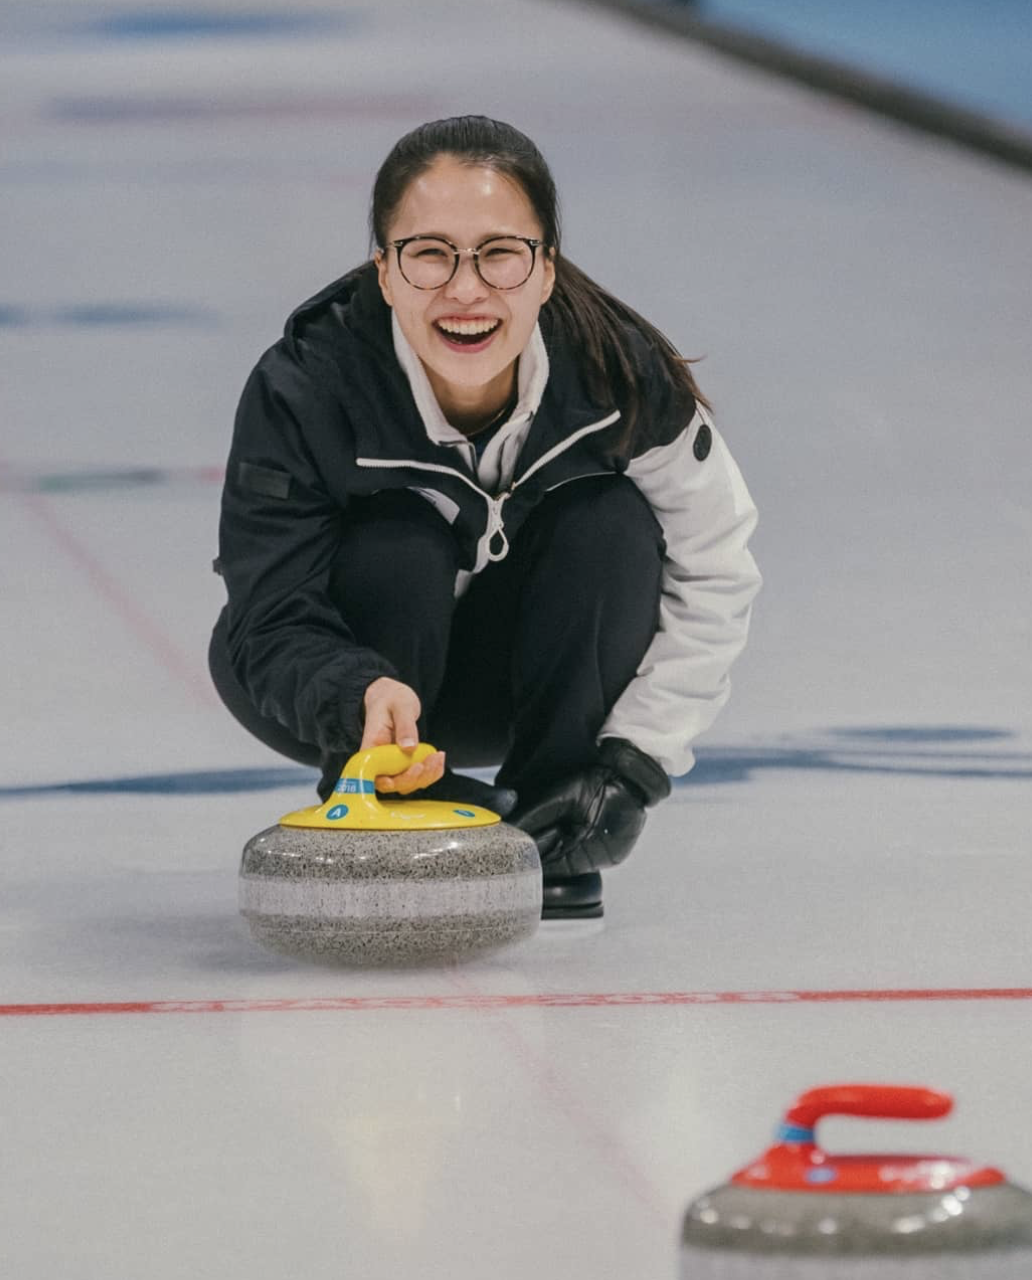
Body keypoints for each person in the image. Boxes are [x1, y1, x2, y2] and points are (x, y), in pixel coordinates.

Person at [209, 115, 761, 919]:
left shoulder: (618, 372)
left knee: (608, 521)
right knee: (400, 537)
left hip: (526, 683)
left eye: (500, 254)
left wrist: (631, 767)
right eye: (428, 254)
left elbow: (716, 564)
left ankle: (553, 821)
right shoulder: (306, 386)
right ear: (384, 273)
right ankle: (384, 801)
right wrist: (352, 694)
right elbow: (266, 614)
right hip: (353, 693)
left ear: (545, 270)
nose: (465, 290)